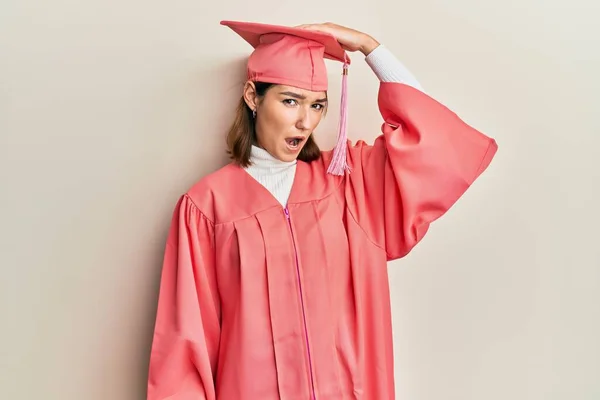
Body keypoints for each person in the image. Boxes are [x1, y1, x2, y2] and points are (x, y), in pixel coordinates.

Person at [146, 20, 498, 400]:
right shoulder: (206, 208)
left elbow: (438, 146)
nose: (305, 121)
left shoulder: (351, 184)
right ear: (253, 96)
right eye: (290, 101)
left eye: (317, 105)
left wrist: (369, 47)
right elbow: (185, 349)